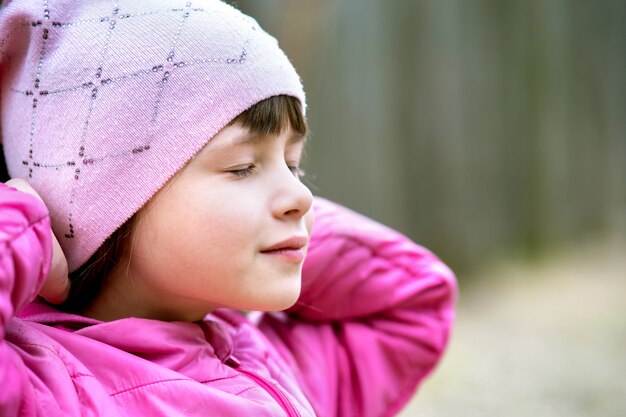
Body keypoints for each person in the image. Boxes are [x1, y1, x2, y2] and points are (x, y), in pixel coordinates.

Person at [0, 1, 457, 416]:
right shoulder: (45, 388)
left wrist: (282, 239)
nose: (300, 198)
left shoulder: (270, 357)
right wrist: (25, 225)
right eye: (242, 167)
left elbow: (411, 296)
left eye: (292, 165)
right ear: (103, 201)